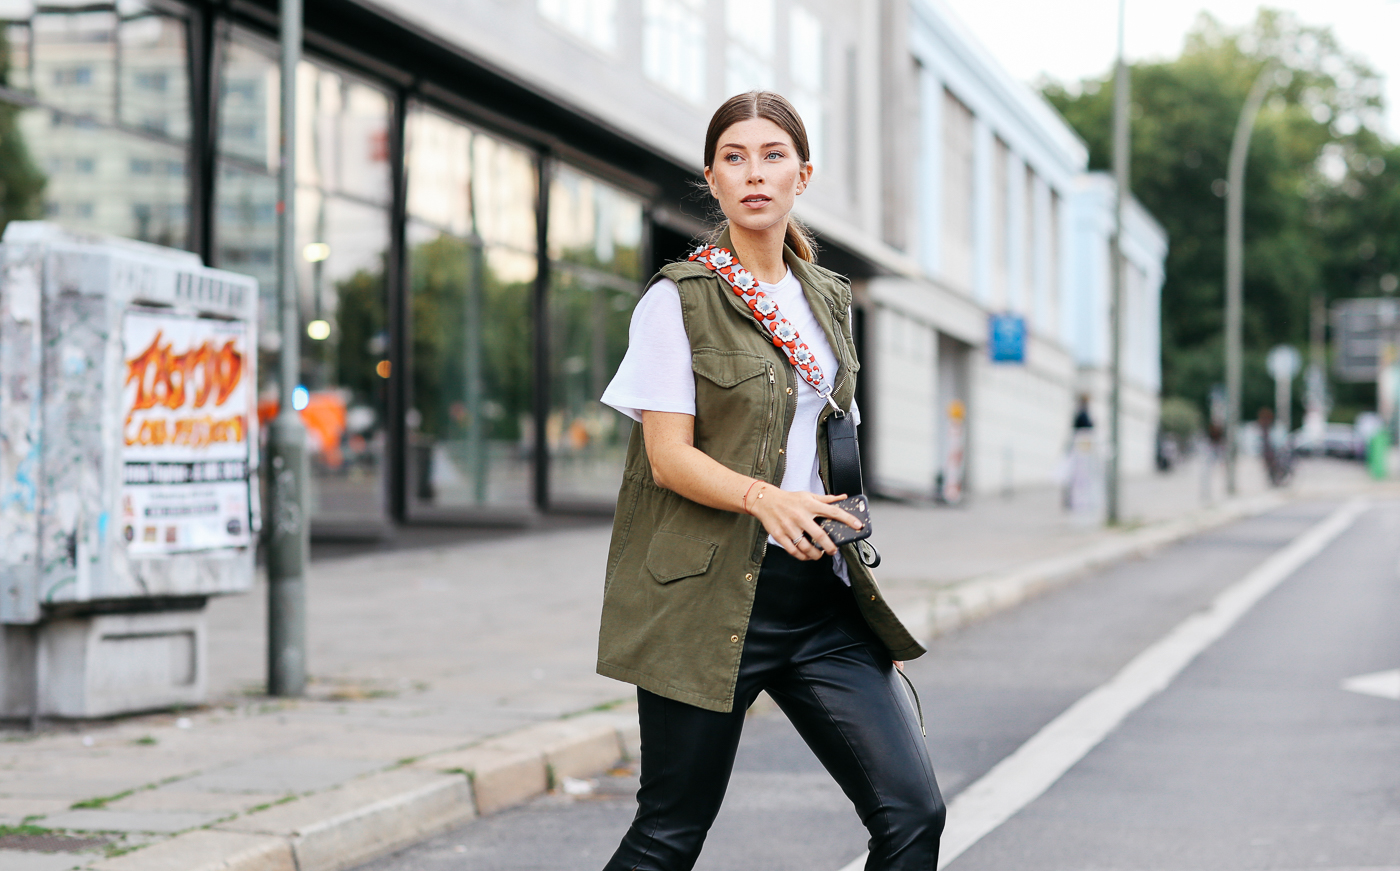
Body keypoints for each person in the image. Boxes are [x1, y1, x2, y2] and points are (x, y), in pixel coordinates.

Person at [596, 91, 944, 871]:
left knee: (913, 811)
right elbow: (667, 457)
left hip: (816, 594)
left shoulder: (827, 296)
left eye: (773, 155)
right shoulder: (676, 301)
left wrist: (834, 505)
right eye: (735, 157)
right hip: (706, 597)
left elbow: (820, 429)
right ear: (713, 182)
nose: (755, 173)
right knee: (668, 835)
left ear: (802, 175)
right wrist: (763, 496)